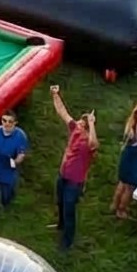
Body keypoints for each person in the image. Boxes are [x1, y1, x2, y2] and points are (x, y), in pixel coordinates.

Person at [49, 86, 99, 251]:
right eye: (79, 121)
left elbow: (94, 143)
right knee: (60, 202)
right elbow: (62, 112)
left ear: (86, 128)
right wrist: (55, 94)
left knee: (69, 209)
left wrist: (91, 124)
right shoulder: (75, 129)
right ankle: (60, 226)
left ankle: (67, 241)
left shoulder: (89, 143)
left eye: (81, 124)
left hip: (75, 182)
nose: (77, 123)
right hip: (63, 175)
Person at [0, 110, 29, 228]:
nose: (6, 124)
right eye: (4, 120)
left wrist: (16, 161)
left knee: (7, 194)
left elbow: (21, 154)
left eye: (10, 122)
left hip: (9, 169)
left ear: (15, 123)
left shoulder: (20, 136)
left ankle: (7, 203)